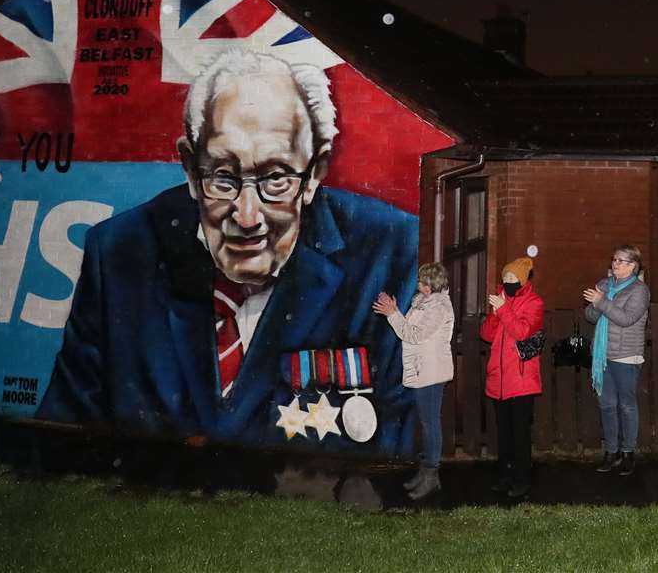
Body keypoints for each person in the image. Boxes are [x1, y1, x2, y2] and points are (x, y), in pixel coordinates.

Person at [37, 48, 417, 454]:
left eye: (275, 178)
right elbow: (59, 443)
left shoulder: (390, 253)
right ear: (189, 168)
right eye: (222, 176)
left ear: (314, 175)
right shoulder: (119, 253)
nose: (247, 215)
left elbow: (401, 446)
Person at [374, 262, 453, 500]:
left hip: (431, 372)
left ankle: (431, 474)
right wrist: (396, 311)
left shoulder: (438, 307)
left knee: (430, 424)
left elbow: (414, 335)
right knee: (427, 423)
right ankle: (426, 473)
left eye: (421, 281)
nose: (418, 284)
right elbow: (408, 328)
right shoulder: (424, 301)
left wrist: (392, 314)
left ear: (430, 285)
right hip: (423, 370)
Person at [481, 250, 544, 500]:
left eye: (511, 276)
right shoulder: (500, 300)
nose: (507, 280)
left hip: (521, 380)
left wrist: (504, 310)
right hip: (499, 380)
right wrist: (496, 315)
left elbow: (522, 331)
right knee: (504, 434)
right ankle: (505, 477)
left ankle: (522, 480)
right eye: (504, 276)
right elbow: (486, 334)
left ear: (522, 279)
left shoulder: (534, 303)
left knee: (520, 434)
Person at [582, 244, 650, 475]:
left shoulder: (640, 291)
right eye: (615, 260)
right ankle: (611, 451)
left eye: (622, 261)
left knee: (626, 406)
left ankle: (628, 452)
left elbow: (626, 319)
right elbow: (589, 316)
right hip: (602, 356)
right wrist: (596, 305)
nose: (616, 264)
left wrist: (601, 302)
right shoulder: (604, 285)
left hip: (626, 356)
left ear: (634, 266)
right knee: (607, 405)